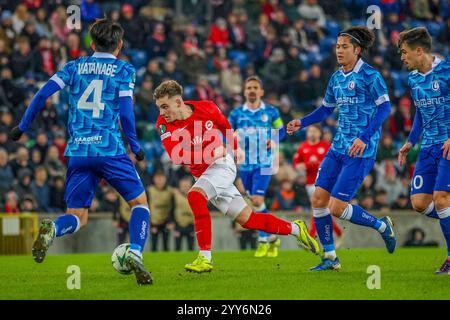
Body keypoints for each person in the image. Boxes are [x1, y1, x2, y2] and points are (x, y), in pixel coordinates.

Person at [9, 19, 152, 285]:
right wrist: (134, 145)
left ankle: (53, 228)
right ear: (119, 45)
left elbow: (41, 95)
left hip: (79, 150)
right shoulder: (124, 69)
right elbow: (126, 112)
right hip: (109, 148)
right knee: (139, 203)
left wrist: (23, 126)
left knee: (77, 217)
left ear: (91, 43)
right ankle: (135, 253)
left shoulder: (73, 66)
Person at [154, 79, 319, 273]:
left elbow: (224, 125)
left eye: (165, 106)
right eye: (159, 108)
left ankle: (204, 258)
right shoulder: (163, 123)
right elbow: (176, 156)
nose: (162, 112)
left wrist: (234, 148)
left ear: (179, 102)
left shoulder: (206, 108)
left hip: (222, 166)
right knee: (248, 220)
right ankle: (296, 229)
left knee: (195, 196)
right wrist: (210, 153)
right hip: (205, 174)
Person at [287, 26, 397, 271]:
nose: (339, 50)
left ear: (357, 50)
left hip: (361, 151)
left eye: (344, 46)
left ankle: (382, 226)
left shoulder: (370, 75)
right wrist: (301, 122)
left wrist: (365, 137)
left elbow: (385, 109)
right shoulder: (336, 78)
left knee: (336, 207)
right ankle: (330, 257)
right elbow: (326, 109)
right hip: (338, 148)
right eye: (337, 46)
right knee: (318, 199)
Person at [397, 27, 450, 275]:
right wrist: (411, 140)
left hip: (447, 144)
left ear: (420, 51)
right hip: (428, 146)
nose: (402, 58)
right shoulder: (414, 78)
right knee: (419, 202)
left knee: (441, 199)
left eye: (405, 52)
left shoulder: (447, 71)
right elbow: (420, 111)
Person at [228, 75, 286, 258]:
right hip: (245, 165)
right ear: (245, 92)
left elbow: (282, 131)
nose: (252, 90)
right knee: (255, 203)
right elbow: (227, 133)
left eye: (255, 87)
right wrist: (233, 144)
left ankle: (262, 240)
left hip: (264, 163)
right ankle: (273, 238)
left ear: (261, 91)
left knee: (257, 200)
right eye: (248, 88)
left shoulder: (271, 112)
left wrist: (274, 139)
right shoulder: (236, 114)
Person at [293, 125, 343, 241]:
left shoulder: (326, 147)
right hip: (309, 183)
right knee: (322, 210)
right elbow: (296, 163)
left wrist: (309, 165)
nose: (312, 133)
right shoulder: (302, 147)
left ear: (319, 133)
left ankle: (311, 236)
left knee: (317, 209)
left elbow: (333, 163)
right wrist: (303, 166)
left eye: (314, 131)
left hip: (325, 183)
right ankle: (338, 233)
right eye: (310, 131)